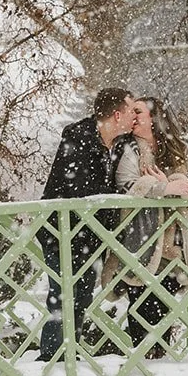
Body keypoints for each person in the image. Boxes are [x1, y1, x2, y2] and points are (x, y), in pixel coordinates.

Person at [38, 86, 137, 360]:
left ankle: (69, 356)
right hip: (62, 233)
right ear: (117, 114)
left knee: (80, 299)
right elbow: (83, 193)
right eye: (130, 111)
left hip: (89, 238)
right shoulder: (79, 139)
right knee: (64, 298)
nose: (133, 118)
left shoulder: (116, 146)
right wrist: (129, 195)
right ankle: (52, 360)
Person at [112, 97, 188, 353]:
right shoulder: (131, 149)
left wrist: (174, 184)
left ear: (154, 117)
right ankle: (143, 361)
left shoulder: (186, 144)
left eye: (138, 112)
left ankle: (159, 358)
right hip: (141, 239)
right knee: (140, 301)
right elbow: (127, 186)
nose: (132, 117)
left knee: (164, 303)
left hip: (176, 241)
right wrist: (163, 188)